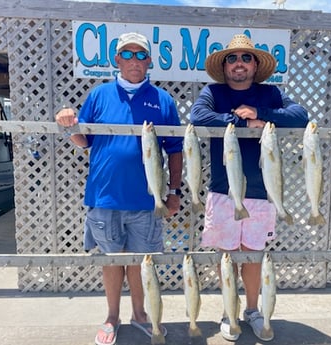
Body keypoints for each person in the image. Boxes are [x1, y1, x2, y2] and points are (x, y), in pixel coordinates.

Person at [55, 32, 183, 345]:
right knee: (112, 263)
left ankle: (140, 315)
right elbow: (85, 141)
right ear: (117, 60)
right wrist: (68, 124)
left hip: (147, 201)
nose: (135, 61)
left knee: (141, 264)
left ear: (150, 61)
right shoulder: (99, 95)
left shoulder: (163, 100)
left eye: (142, 55)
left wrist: (175, 191)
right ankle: (111, 316)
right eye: (128, 54)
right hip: (105, 196)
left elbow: (176, 149)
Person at [190, 33, 308, 341]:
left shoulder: (270, 94)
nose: (239, 63)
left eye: (246, 58)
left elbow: (300, 117)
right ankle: (229, 311)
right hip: (222, 189)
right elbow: (198, 116)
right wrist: (241, 123)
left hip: (261, 191)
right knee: (226, 255)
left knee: (254, 256)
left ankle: (253, 310)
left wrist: (261, 115)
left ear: (255, 65)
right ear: (225, 66)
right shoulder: (213, 92)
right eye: (232, 58)